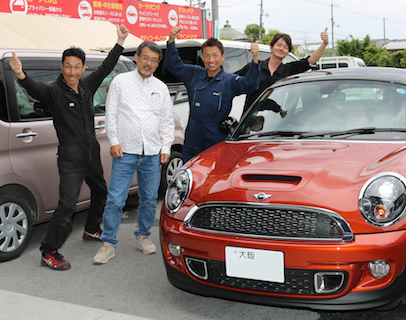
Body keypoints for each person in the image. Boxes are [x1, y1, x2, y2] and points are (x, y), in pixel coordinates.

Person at [8, 24, 130, 271]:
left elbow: (107, 66)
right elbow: (36, 90)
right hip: (71, 156)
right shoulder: (54, 92)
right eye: (67, 66)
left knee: (100, 190)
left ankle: (92, 228)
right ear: (62, 67)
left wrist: (119, 41)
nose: (72, 71)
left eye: (77, 67)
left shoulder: (87, 85)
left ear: (83, 68)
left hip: (91, 151)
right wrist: (21, 75)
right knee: (67, 204)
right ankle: (49, 251)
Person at [93, 41, 174, 265]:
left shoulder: (161, 88)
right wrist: (114, 141)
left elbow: (166, 121)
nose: (148, 63)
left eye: (154, 60)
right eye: (145, 58)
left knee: (148, 199)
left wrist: (166, 147)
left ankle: (143, 236)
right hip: (124, 151)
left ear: (158, 64)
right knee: (115, 199)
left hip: (152, 152)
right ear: (137, 58)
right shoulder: (120, 82)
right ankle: (108, 243)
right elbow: (111, 114)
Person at [165, 26, 260, 162]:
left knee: (215, 175)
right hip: (193, 136)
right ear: (202, 57)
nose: (211, 60)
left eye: (215, 55)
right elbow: (174, 66)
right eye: (207, 55)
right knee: (191, 173)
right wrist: (171, 41)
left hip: (216, 137)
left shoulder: (230, 80)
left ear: (223, 57)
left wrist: (255, 59)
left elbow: (250, 85)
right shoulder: (193, 74)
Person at [237, 28, 329, 114]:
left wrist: (324, 44)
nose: (281, 49)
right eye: (279, 45)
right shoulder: (254, 67)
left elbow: (310, 61)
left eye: (285, 47)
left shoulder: (287, 70)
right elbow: (231, 81)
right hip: (250, 120)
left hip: (275, 120)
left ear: (288, 51)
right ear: (271, 47)